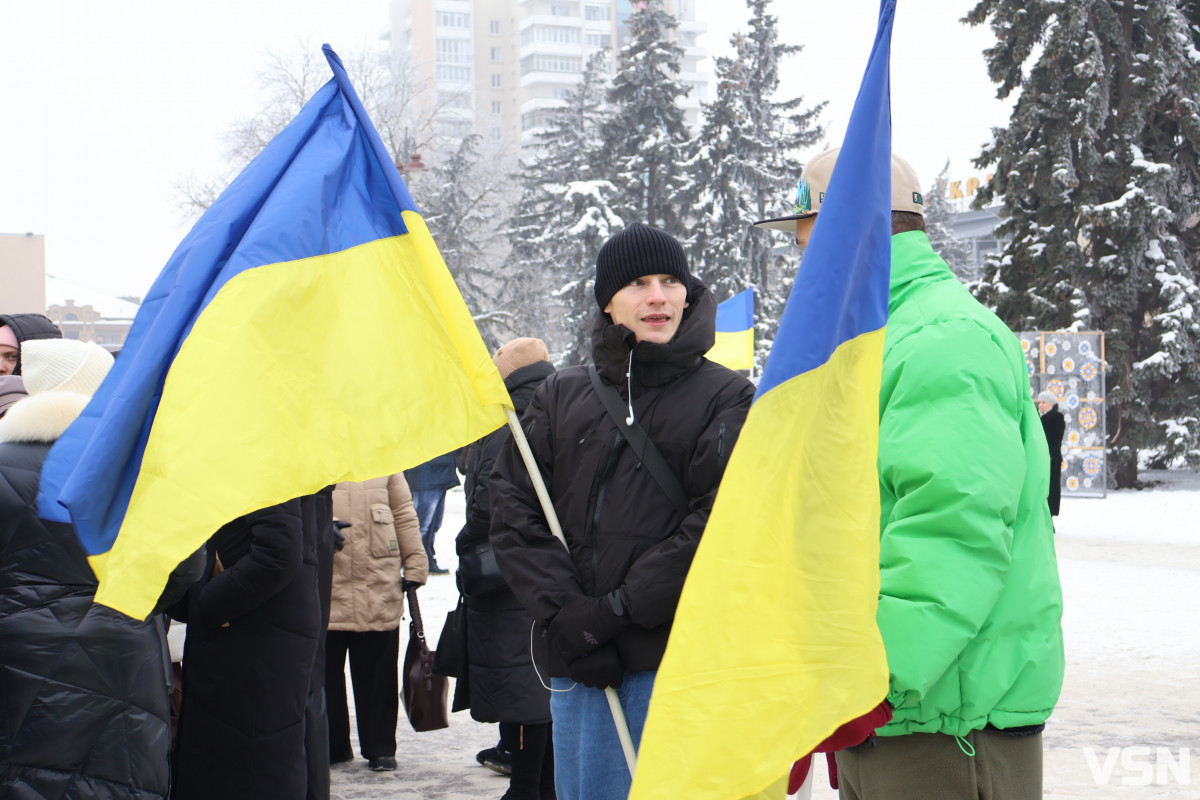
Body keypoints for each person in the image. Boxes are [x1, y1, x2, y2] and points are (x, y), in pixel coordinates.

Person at [755, 149, 1065, 800]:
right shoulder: (885, 338)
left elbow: (951, 532)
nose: (802, 260)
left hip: (940, 727)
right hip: (896, 716)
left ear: (850, 228)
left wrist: (869, 683)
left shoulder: (939, 340)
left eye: (808, 239)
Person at [489, 222, 756, 800]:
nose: (657, 295)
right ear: (608, 302)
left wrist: (613, 611)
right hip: (576, 669)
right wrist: (567, 617)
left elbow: (721, 521)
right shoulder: (560, 395)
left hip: (674, 666)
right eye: (637, 283)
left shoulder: (728, 397)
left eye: (669, 281)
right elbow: (513, 509)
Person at [0, 338, 201, 799]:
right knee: (116, 782)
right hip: (122, 655)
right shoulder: (140, 470)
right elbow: (186, 568)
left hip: (17, 660)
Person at [169, 491, 322, 799]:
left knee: (254, 766)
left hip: (255, 635)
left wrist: (203, 604)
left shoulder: (266, 445)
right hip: (245, 631)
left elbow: (277, 553)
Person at [456, 337, 557, 800]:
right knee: (544, 685)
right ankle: (539, 782)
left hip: (508, 572)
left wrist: (465, 541)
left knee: (526, 687)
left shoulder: (507, 422)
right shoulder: (557, 407)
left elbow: (486, 504)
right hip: (549, 567)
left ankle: (528, 786)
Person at [325, 473, 428, 771]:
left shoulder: (387, 462)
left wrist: (415, 563)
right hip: (330, 587)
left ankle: (380, 747)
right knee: (325, 678)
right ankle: (332, 746)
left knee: (379, 676)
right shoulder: (317, 454)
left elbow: (404, 515)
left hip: (378, 585)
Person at [405, 451, 460, 574]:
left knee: (433, 525)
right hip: (428, 476)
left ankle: (427, 561)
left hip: (437, 475)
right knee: (422, 526)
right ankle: (417, 563)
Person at [1036, 390, 1065, 516]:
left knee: (1051, 487)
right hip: (1039, 458)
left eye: (1044, 402)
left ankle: (1049, 515)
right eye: (1039, 402)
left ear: (1051, 404)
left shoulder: (1057, 418)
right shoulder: (1037, 417)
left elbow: (1055, 439)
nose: (1040, 405)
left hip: (1052, 458)